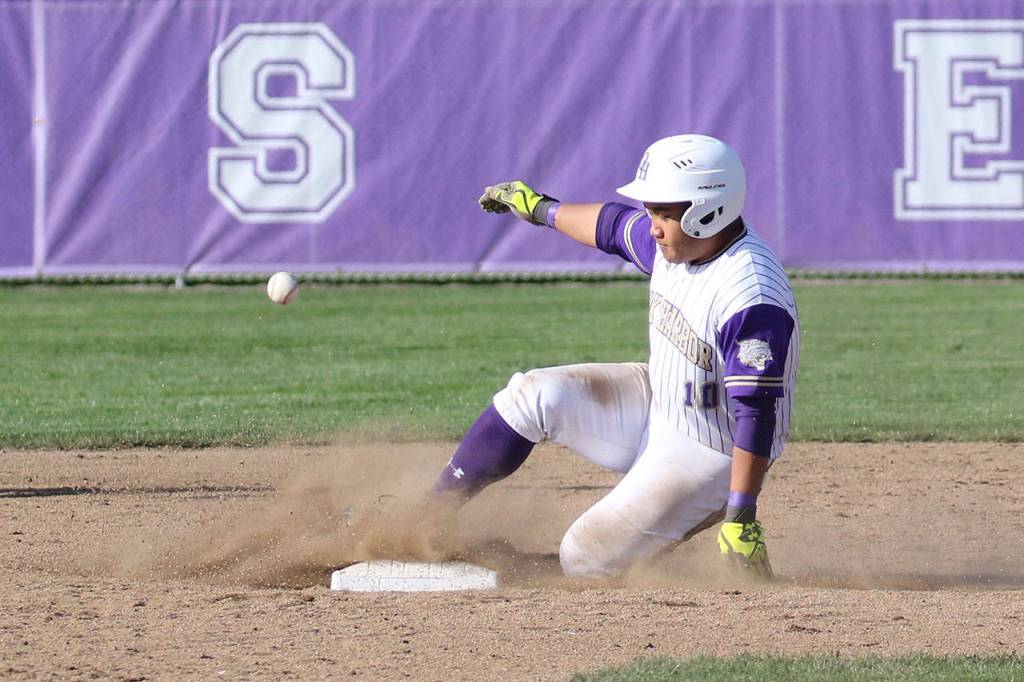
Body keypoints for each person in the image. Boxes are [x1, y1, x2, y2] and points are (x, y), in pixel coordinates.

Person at [431, 134, 799, 580]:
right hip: (660, 402)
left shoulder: (750, 295)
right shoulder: (676, 244)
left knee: (586, 557)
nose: (653, 225)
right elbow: (610, 227)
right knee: (530, 395)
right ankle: (429, 514)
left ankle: (663, 550)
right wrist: (541, 208)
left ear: (709, 211)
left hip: (709, 451)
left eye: (665, 212)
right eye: (652, 210)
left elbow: (756, 413)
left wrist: (741, 515)